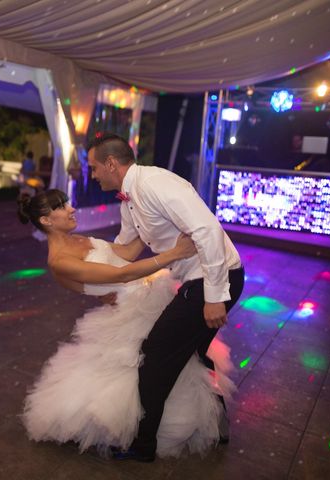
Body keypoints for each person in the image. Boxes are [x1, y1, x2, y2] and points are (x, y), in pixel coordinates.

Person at [19, 189, 237, 458]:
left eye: (67, 203)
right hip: (130, 311)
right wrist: (174, 254)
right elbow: (121, 274)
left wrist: (138, 211)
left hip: (149, 295)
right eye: (61, 206)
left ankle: (209, 419)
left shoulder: (77, 240)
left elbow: (126, 252)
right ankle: (149, 432)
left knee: (184, 355)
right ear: (46, 220)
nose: (71, 208)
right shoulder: (60, 261)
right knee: (160, 365)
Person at [87, 133, 245, 462]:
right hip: (198, 280)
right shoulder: (129, 200)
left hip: (214, 279)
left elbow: (207, 230)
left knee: (155, 351)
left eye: (94, 167)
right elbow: (128, 248)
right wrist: (85, 257)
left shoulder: (157, 183)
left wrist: (214, 296)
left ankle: (143, 446)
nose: (93, 174)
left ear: (111, 163)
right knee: (194, 354)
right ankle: (216, 421)